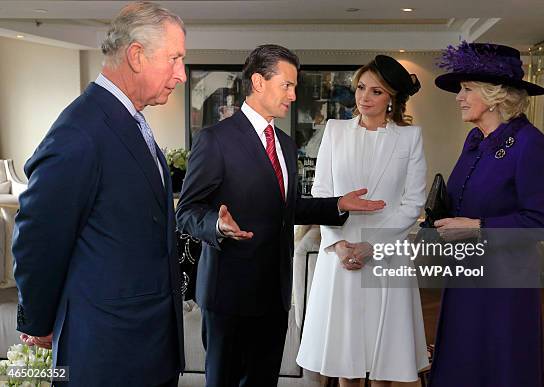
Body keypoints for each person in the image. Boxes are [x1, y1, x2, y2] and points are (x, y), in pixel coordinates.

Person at [175, 44, 386, 387]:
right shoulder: (215, 140)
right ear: (258, 82)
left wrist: (337, 205)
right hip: (229, 294)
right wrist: (216, 223)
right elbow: (186, 211)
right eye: (286, 85)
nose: (293, 94)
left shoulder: (285, 144)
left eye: (295, 86)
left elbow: (287, 207)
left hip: (274, 295)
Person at [12, 2, 187, 385]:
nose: (182, 75)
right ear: (137, 56)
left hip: (147, 344)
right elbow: (37, 236)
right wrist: (40, 319)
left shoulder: (127, 120)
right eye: (175, 59)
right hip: (108, 353)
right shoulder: (81, 130)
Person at [428, 42, 544, 387]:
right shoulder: (474, 139)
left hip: (504, 284)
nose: (459, 96)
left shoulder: (531, 144)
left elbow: (541, 222)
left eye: (467, 89)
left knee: (500, 363)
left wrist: (478, 227)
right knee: (463, 359)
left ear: (495, 95)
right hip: (465, 274)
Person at [296, 55, 428, 386]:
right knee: (346, 361)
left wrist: (372, 244)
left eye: (376, 91)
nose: (364, 97)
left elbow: (413, 203)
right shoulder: (335, 131)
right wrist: (340, 245)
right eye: (360, 88)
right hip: (340, 253)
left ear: (393, 98)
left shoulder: (410, 138)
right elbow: (322, 193)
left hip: (386, 251)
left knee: (384, 361)